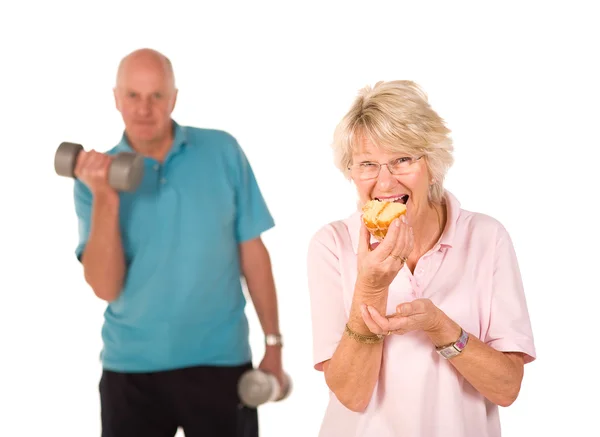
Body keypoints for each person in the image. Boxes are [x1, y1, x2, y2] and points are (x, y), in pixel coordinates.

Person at [72, 48, 285, 437]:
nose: (144, 109)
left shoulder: (222, 151)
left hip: (220, 363)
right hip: (131, 370)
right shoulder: (94, 179)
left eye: (156, 95)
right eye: (133, 96)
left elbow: (253, 255)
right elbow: (105, 287)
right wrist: (105, 196)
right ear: (116, 98)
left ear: (173, 98)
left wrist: (274, 343)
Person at [306, 80, 536, 437]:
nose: (385, 183)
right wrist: (371, 285)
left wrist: (441, 328)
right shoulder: (332, 244)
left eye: (401, 159)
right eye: (367, 164)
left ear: (433, 163)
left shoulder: (487, 237)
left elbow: (507, 389)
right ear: (350, 172)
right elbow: (351, 394)